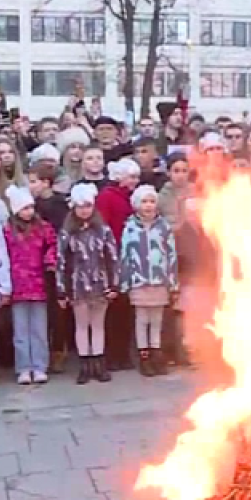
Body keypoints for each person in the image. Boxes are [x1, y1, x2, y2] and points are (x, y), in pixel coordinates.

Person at [57, 183, 119, 384]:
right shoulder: (67, 233)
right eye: (80, 206)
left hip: (100, 283)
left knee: (98, 325)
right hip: (78, 286)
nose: (84, 210)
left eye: (88, 206)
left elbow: (112, 257)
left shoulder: (103, 230)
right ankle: (85, 364)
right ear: (73, 207)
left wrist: (114, 284)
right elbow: (61, 262)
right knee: (81, 325)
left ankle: (99, 363)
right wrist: (61, 290)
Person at [120, 184, 177, 376]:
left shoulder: (163, 227)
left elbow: (171, 254)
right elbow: (125, 255)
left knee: (156, 319)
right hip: (139, 280)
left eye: (152, 201)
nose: (148, 206)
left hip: (158, 280)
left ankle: (156, 352)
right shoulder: (129, 228)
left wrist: (172, 280)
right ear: (137, 204)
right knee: (142, 319)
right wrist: (125, 280)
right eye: (144, 202)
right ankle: (143, 355)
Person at [4, 185, 56, 384]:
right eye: (24, 208)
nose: (29, 212)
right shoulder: (8, 230)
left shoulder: (43, 228)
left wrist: (50, 261)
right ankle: (24, 367)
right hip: (18, 285)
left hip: (38, 284)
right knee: (21, 330)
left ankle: (40, 365)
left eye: (30, 208)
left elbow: (52, 245)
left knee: (39, 328)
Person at [96, 158, 140, 370]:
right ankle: (113, 356)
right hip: (113, 259)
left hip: (129, 258)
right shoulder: (107, 197)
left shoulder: (130, 198)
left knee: (126, 309)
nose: (135, 181)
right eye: (132, 177)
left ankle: (123, 354)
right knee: (114, 310)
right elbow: (103, 228)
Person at [28, 167, 70, 372]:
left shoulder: (58, 205)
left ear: (46, 183)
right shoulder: (31, 206)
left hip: (54, 263)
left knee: (56, 310)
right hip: (34, 264)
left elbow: (60, 235)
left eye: (34, 181)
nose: (30, 186)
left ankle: (58, 351)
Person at [157, 152, 193, 366]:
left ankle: (189, 349)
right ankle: (169, 350)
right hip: (170, 255)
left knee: (190, 304)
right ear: (168, 172)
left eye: (184, 171)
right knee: (171, 305)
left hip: (192, 255)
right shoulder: (162, 197)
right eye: (175, 171)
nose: (180, 175)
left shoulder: (197, 193)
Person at [56, 126, 90, 193]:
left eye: (81, 148)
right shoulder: (56, 176)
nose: (77, 151)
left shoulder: (90, 177)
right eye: (72, 147)